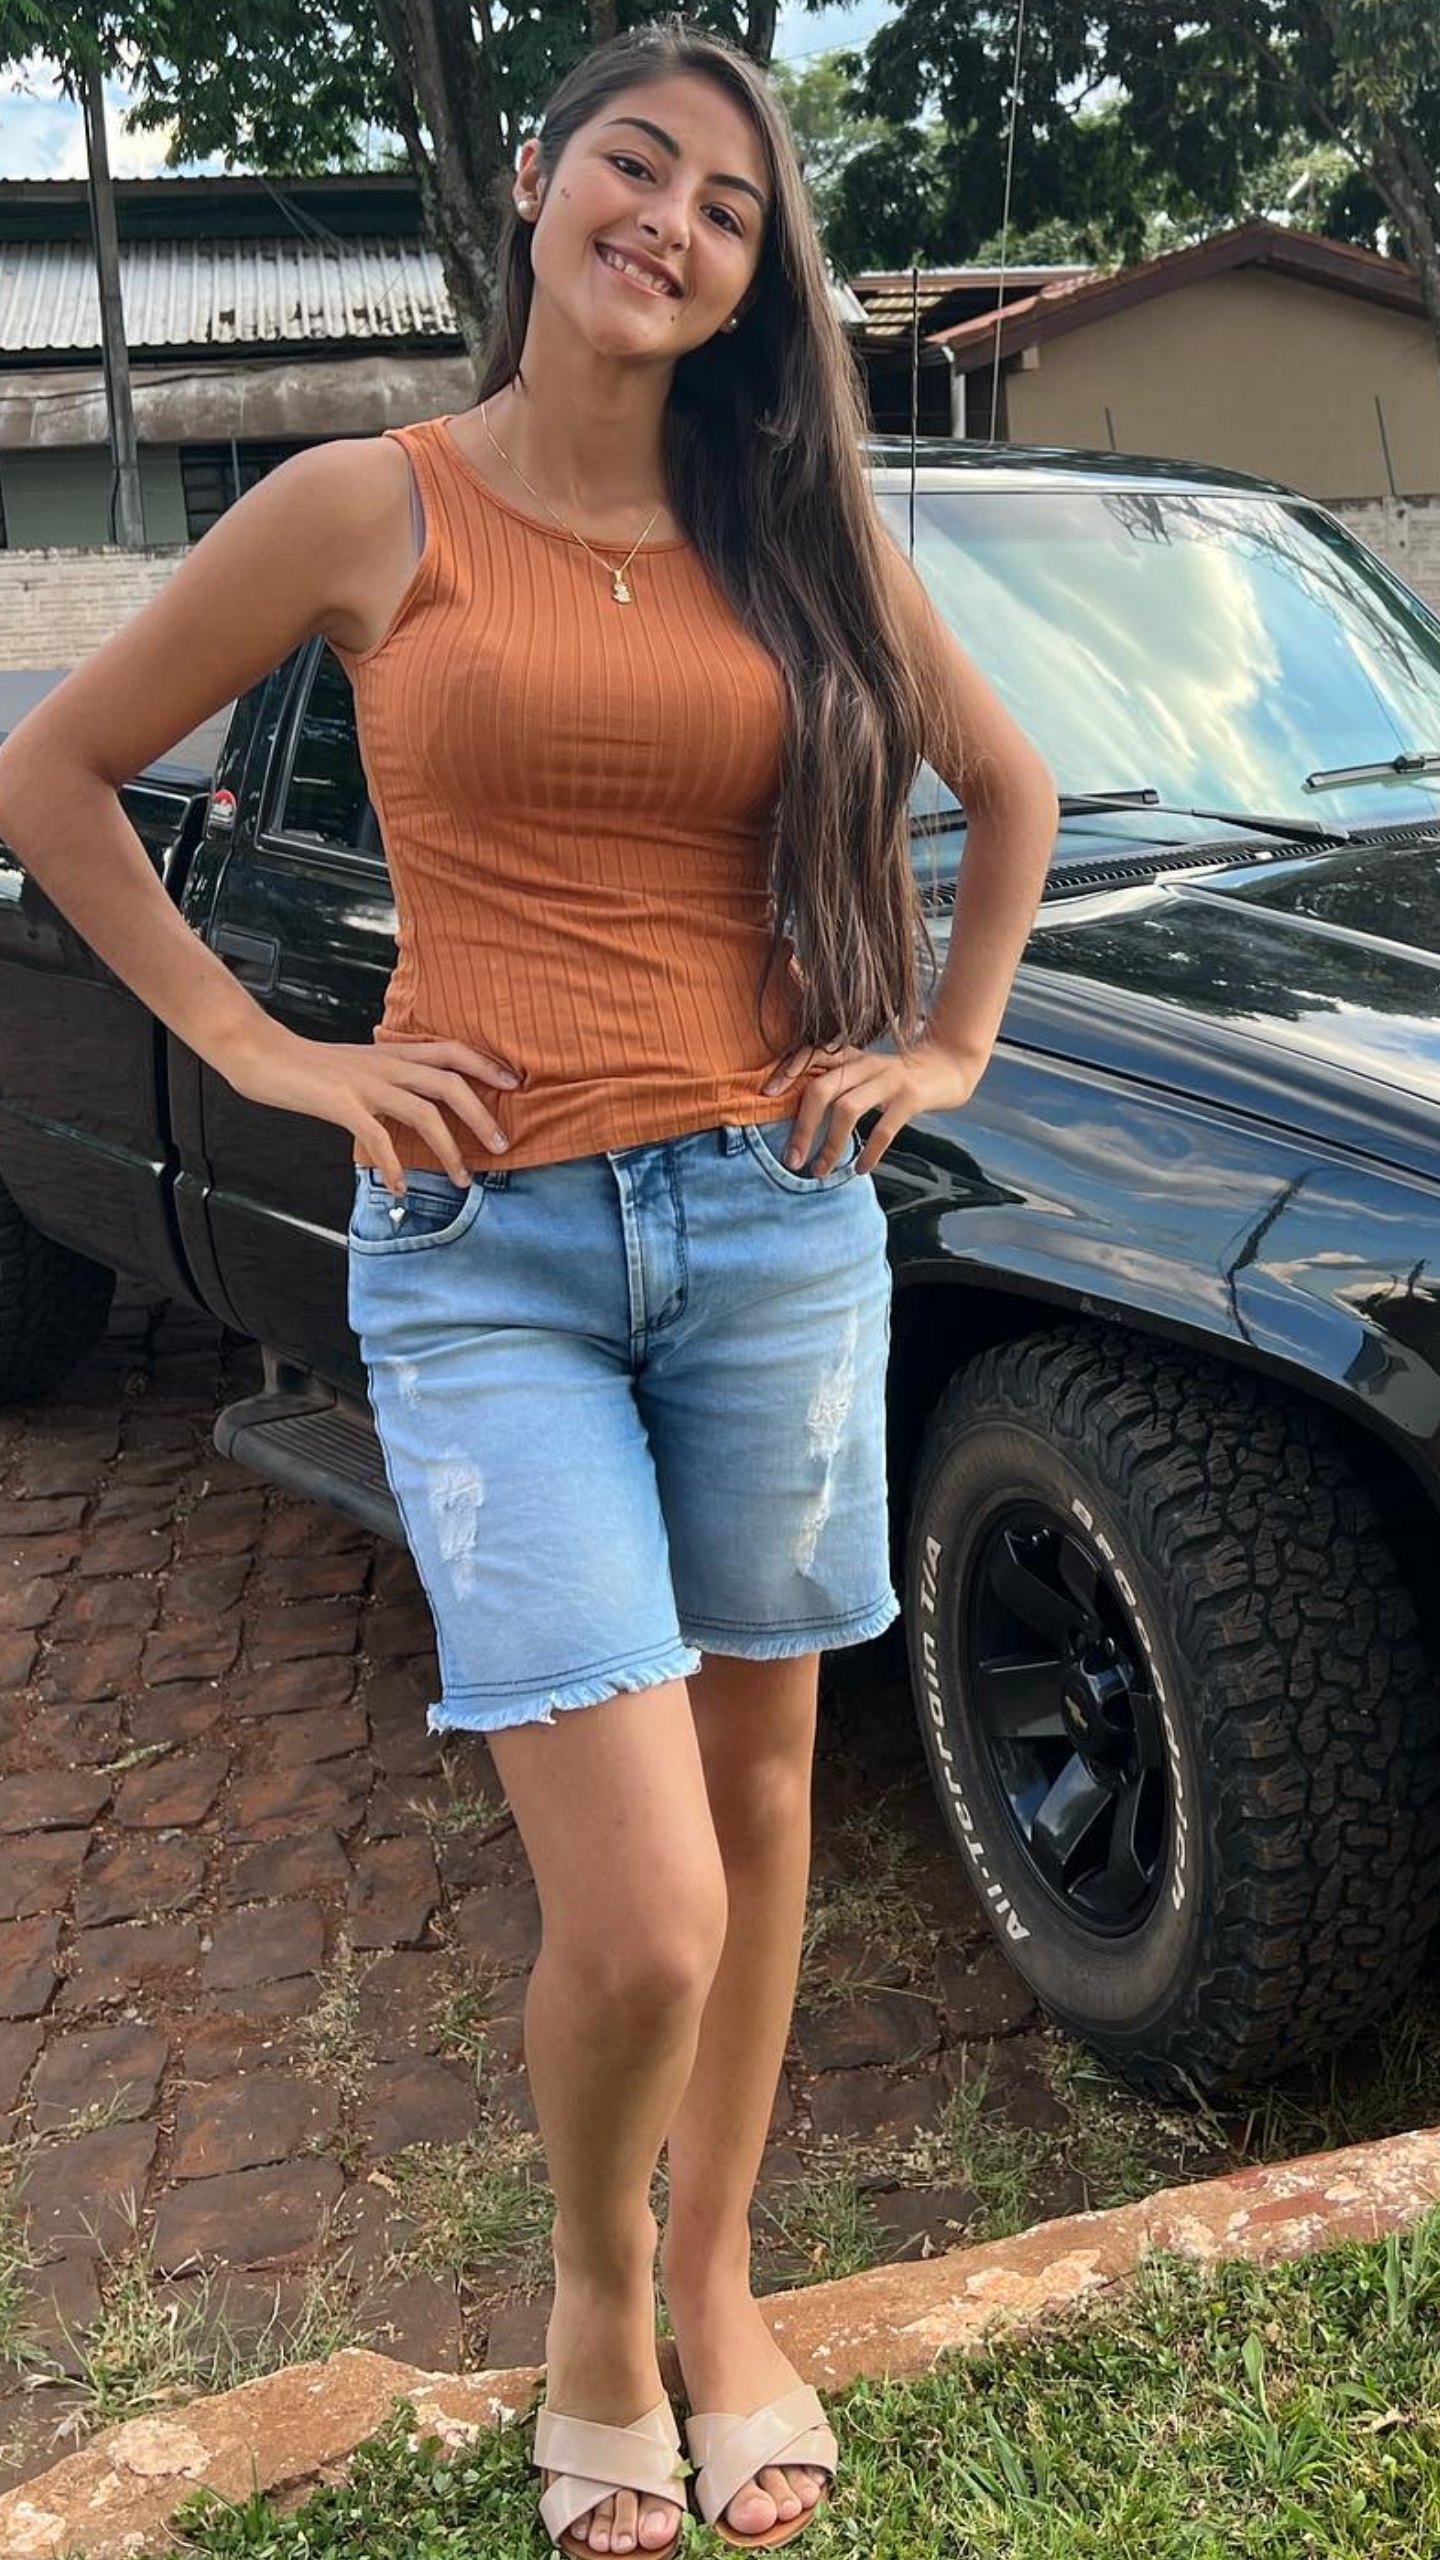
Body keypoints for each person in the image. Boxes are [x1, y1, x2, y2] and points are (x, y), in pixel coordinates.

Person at [0, 17, 1058, 2551]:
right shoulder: (371, 502)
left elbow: (1007, 782)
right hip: (491, 1261)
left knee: (771, 1793)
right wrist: (267, 1043)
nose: (670, 222)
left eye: (727, 204)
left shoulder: (795, 530)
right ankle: (594, 2281)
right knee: (650, 1898)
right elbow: (52, 769)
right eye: (634, 165)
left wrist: (946, 1040)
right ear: (537, 185)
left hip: (774, 1226)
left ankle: (717, 2280)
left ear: (751, 277)